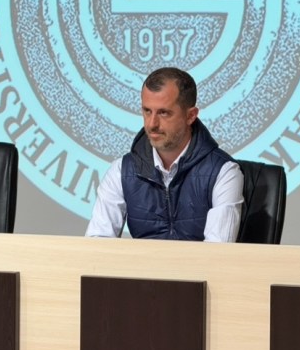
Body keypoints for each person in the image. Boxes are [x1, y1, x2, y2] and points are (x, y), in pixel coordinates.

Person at [85, 67, 244, 241]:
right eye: (147, 111)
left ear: (191, 116)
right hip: (142, 261)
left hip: (198, 261)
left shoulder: (223, 171)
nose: (152, 124)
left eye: (163, 113)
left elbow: (217, 251)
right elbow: (97, 243)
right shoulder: (121, 170)